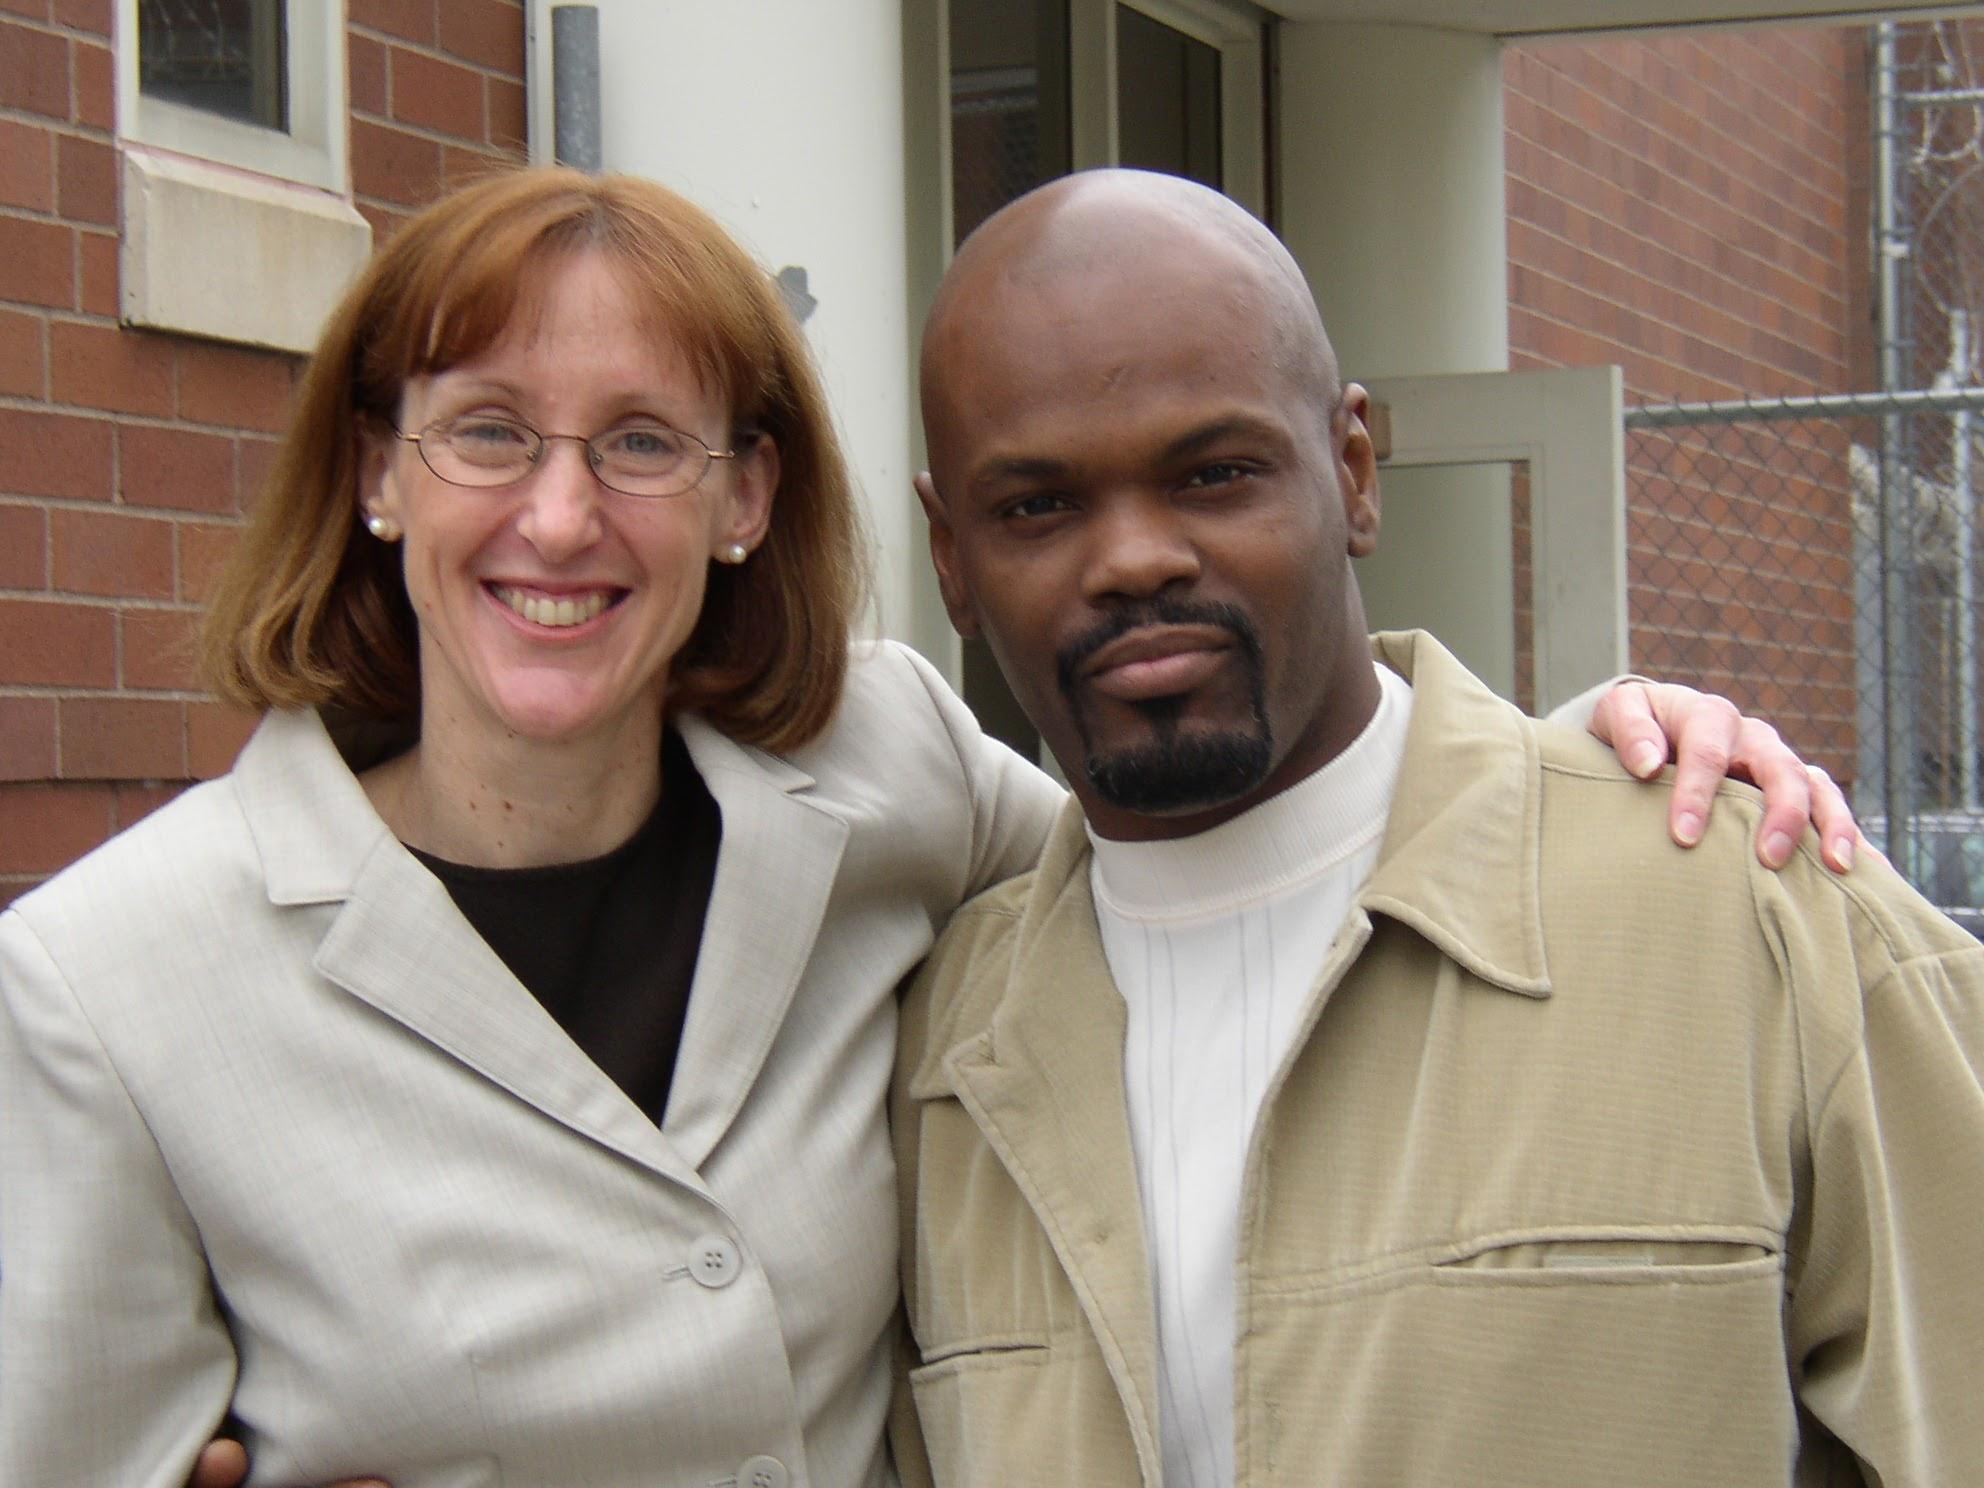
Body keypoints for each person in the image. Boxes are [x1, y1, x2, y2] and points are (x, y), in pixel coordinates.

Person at [0, 168, 1853, 1488]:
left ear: (743, 498)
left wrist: (1579, 758)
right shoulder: (112, 984)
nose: (560, 519)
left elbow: (1245, 854)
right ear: (379, 475)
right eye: (489, 433)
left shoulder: (880, 767)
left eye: (641, 442)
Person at [892, 168, 1984, 1488]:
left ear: (1353, 473)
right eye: (1037, 507)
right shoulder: (932, 1062)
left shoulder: (1757, 925)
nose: (1134, 558)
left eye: (1216, 473)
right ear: (950, 558)